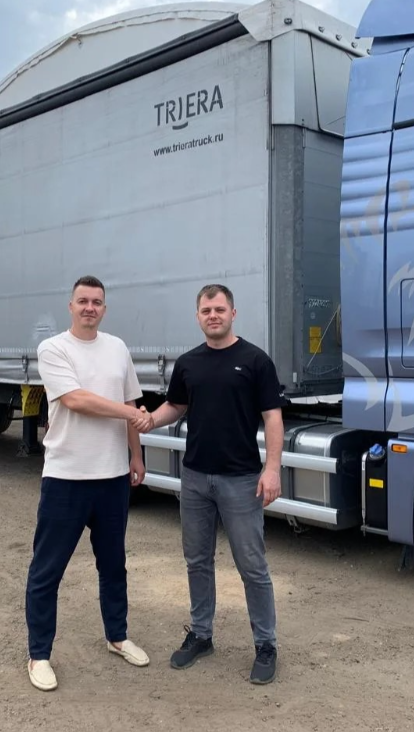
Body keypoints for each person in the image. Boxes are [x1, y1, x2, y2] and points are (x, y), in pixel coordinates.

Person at [143, 283, 285, 685]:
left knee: (252, 566)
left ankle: (266, 644)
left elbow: (273, 417)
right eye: (206, 311)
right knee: (197, 561)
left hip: (241, 479)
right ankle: (202, 635)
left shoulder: (255, 361)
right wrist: (149, 420)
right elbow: (176, 405)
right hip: (194, 479)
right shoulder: (189, 363)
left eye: (220, 309)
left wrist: (272, 469)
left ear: (233, 313)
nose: (213, 316)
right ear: (198, 316)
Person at [25, 275, 153, 692]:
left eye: (97, 302)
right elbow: (75, 399)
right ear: (71, 306)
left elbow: (131, 402)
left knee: (113, 565)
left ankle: (117, 636)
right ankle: (39, 654)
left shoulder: (117, 348)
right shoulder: (53, 349)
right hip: (67, 478)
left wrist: (136, 455)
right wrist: (130, 414)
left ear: (104, 308)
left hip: (112, 478)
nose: (90, 308)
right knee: (48, 570)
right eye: (83, 301)